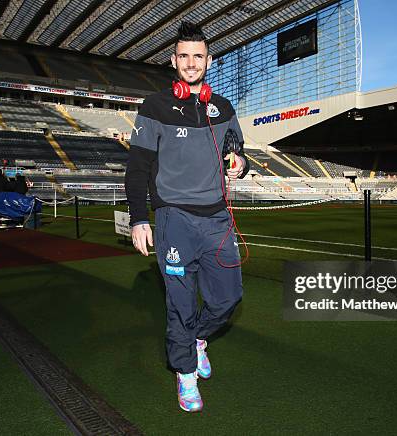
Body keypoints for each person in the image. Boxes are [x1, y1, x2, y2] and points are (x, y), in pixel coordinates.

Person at [126, 21, 249, 413]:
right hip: (173, 219)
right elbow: (137, 167)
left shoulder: (224, 108)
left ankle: (197, 340)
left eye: (198, 56)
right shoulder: (154, 106)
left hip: (217, 220)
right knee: (180, 304)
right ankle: (186, 374)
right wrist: (138, 218)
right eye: (184, 56)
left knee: (229, 298)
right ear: (173, 60)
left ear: (208, 61)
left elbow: (239, 153)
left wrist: (240, 165)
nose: (191, 62)